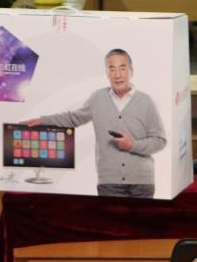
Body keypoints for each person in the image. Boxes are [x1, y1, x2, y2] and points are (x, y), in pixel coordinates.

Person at [27, 49, 166, 198]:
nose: (117, 75)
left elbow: (160, 140)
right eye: (112, 69)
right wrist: (43, 120)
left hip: (142, 183)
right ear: (107, 73)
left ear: (131, 70)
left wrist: (132, 145)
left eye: (122, 68)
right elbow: (73, 118)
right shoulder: (97, 98)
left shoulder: (146, 101)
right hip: (109, 183)